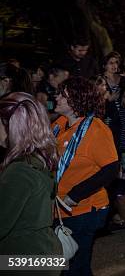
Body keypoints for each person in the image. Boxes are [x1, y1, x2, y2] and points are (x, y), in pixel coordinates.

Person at [53, 77, 119, 276]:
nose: (56, 98)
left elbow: (111, 169)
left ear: (75, 101)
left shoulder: (96, 129)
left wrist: (74, 195)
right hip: (59, 209)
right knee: (63, 266)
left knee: (75, 268)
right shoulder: (59, 124)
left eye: (61, 95)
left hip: (83, 209)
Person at [0, 92, 62, 267]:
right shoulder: (39, 159)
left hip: (24, 259)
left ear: (11, 126)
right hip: (44, 252)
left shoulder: (19, 171)